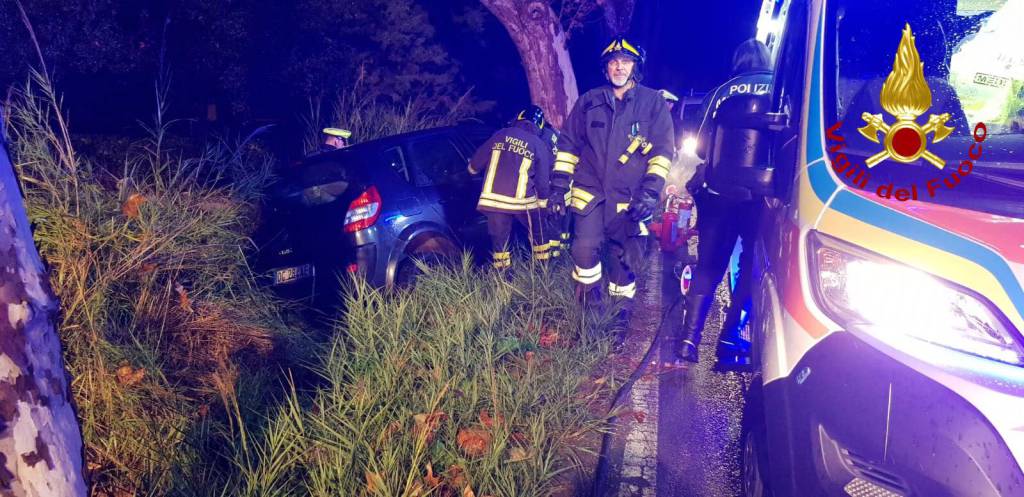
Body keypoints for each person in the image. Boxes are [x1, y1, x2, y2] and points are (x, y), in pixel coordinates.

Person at [549, 35, 675, 342]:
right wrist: (558, 187)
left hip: (629, 199)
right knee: (583, 250)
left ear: (635, 67)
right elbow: (567, 146)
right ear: (606, 69)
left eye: (625, 62)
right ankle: (590, 315)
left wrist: (649, 193)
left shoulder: (653, 103)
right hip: (590, 193)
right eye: (613, 62)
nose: (619, 67)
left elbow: (661, 153)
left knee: (623, 260)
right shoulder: (588, 101)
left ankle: (619, 317)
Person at [673, 38, 773, 367]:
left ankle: (689, 340)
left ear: (738, 61)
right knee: (751, 267)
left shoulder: (722, 92)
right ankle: (729, 337)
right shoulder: (781, 89)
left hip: (717, 195)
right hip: (760, 198)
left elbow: (700, 146)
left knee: (709, 266)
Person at [468, 105, 554, 271]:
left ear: (518, 118)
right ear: (540, 125)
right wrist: (543, 205)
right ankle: (543, 272)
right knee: (539, 234)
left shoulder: (499, 135)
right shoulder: (538, 144)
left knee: (500, 245)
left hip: (494, 201)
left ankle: (502, 279)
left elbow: (474, 165)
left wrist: (472, 172)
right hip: (523, 202)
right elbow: (543, 181)